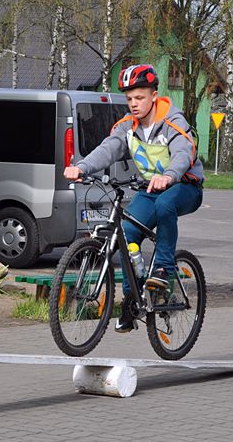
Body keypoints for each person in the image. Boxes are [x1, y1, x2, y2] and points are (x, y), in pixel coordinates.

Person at [63, 64, 205, 333]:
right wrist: (81, 167)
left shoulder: (172, 121)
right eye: (129, 99)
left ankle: (163, 270)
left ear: (154, 95)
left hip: (185, 187)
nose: (134, 104)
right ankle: (132, 299)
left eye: (139, 97)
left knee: (166, 204)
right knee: (126, 234)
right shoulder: (128, 126)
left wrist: (170, 175)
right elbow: (108, 149)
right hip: (151, 189)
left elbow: (183, 153)